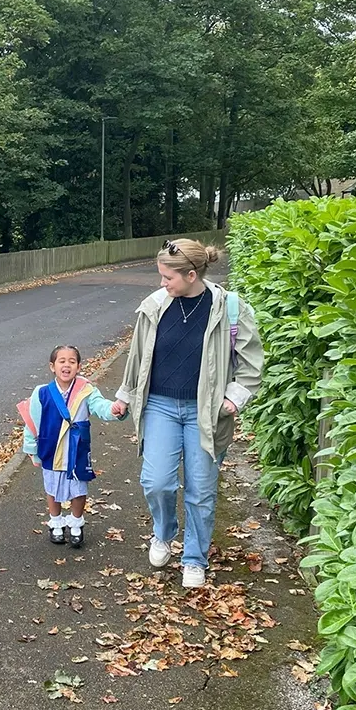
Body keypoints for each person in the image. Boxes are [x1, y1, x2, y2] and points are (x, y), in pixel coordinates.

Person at [113, 239, 263, 588]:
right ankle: (163, 533)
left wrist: (234, 398)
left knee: (200, 490)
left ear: (191, 275)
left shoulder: (229, 308)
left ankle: (194, 558)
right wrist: (125, 396)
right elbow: (137, 356)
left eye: (168, 277)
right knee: (156, 482)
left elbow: (251, 362)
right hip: (160, 406)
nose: (162, 282)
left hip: (205, 412)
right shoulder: (154, 306)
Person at [18, 345, 121, 548]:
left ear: (79, 366)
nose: (67, 365)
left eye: (72, 361)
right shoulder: (42, 392)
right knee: (52, 487)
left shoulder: (86, 390)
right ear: (52, 366)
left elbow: (100, 406)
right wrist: (31, 448)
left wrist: (114, 409)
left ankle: (76, 522)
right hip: (50, 447)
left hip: (77, 448)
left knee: (79, 488)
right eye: (62, 361)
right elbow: (32, 421)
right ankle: (55, 522)